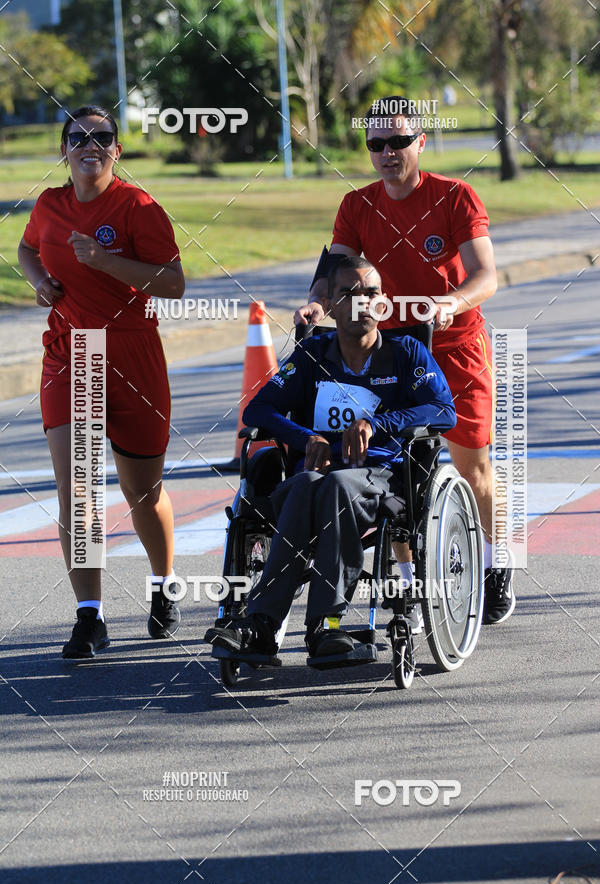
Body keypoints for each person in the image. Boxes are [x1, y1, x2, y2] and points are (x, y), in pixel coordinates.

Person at [295, 95, 515, 626]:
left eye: (397, 141)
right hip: (387, 355)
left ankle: (494, 564)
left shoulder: (455, 196)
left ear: (420, 141)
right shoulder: (357, 205)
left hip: (454, 348)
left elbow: (487, 274)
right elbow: (334, 272)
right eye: (376, 144)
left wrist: (451, 302)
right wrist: (317, 303)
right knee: (399, 474)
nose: (387, 152)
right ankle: (411, 584)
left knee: (475, 466)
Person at [206, 257, 456, 661]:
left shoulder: (405, 352)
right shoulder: (312, 354)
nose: (361, 302)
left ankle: (328, 623)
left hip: (380, 478)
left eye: (371, 293)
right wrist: (308, 439)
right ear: (332, 305)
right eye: (349, 294)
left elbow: (443, 411)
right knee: (304, 484)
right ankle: (262, 625)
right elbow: (259, 410)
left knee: (336, 486)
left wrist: (375, 423)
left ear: (384, 302)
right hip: (317, 476)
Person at [18, 105, 186, 659]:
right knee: (80, 491)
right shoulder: (49, 206)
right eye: (78, 137)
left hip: (133, 353)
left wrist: (108, 262)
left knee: (143, 491)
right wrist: (41, 279)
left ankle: (163, 588)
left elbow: (174, 283)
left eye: (102, 137)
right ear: (63, 150)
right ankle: (89, 616)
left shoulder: (137, 207)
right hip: (73, 354)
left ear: (118, 149)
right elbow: (24, 248)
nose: (90, 144)